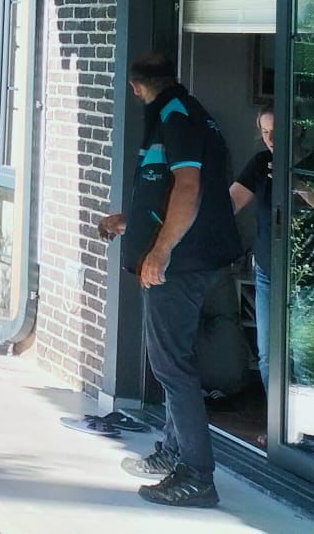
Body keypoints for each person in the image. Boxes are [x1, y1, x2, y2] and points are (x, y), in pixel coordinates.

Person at [98, 50, 243, 509]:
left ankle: (197, 477)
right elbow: (171, 189)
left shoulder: (175, 117)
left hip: (182, 264)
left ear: (136, 86)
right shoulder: (188, 111)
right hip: (200, 257)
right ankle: (174, 452)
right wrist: (131, 222)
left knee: (171, 368)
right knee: (176, 364)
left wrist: (159, 252)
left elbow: (189, 188)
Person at [228, 104, 314, 412]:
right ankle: (277, 425)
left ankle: (308, 427)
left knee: (305, 355)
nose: (271, 139)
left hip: (310, 274)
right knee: (269, 354)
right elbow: (228, 204)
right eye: (265, 132)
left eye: (277, 131)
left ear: (297, 130)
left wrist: (295, 183)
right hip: (268, 271)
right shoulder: (261, 163)